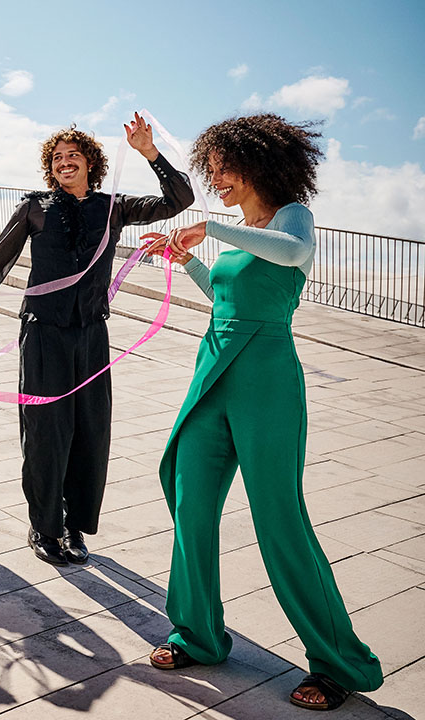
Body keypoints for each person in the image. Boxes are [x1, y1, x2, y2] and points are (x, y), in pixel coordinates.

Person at [144, 113, 382, 712]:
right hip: (214, 367)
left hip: (267, 377)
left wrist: (216, 230)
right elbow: (229, 298)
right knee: (189, 500)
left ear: (258, 165)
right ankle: (198, 633)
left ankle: (337, 663)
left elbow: (293, 252)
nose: (216, 179)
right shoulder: (239, 231)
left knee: (278, 517)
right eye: (213, 169)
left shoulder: (289, 216)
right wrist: (188, 262)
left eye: (225, 168)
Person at [0, 115, 194, 566]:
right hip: (43, 333)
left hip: (91, 334)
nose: (65, 162)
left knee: (90, 429)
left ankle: (74, 525)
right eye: (57, 157)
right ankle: (44, 526)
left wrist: (149, 152)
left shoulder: (113, 207)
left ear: (91, 162)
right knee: (47, 433)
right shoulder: (34, 207)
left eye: (73, 155)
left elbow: (178, 199)